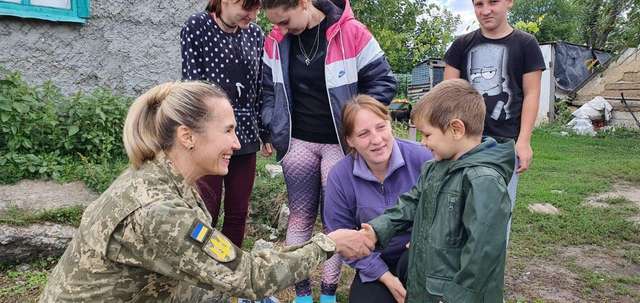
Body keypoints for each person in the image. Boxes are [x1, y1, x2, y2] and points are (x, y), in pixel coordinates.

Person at [38, 81, 375, 303]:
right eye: (228, 130)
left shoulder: (169, 180)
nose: (237, 143)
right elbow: (249, 277)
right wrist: (328, 244)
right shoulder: (158, 209)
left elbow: (205, 271)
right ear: (187, 136)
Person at [260, 0, 397, 302]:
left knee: (336, 223)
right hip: (297, 143)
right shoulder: (276, 41)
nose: (278, 30)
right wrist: (271, 124)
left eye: (284, 21)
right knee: (299, 217)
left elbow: (384, 82)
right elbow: (268, 90)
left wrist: (358, 123)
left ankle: (329, 295)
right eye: (275, 23)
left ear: (304, 3)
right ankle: (303, 296)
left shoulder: (352, 32)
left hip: (339, 144)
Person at [362, 79, 515, 302]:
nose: (423, 142)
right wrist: (377, 229)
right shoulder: (434, 168)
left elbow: (482, 253)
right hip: (427, 289)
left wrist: (458, 297)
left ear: (456, 129)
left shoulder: (483, 180)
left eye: (427, 134)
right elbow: (410, 204)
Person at [443, 0, 545, 240]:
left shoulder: (526, 44)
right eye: (478, 4)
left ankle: (491, 273)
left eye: (493, 2)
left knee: (498, 213)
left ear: (509, 2)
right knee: (457, 212)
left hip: (504, 145)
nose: (485, 10)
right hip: (465, 144)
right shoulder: (461, 45)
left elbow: (531, 94)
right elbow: (447, 96)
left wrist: (524, 141)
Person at [323, 95, 432, 303]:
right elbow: (340, 234)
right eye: (363, 134)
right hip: (372, 262)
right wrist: (387, 278)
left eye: (381, 127)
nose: (376, 139)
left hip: (421, 256)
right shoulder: (340, 176)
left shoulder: (423, 159)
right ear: (350, 140)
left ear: (390, 124)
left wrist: (425, 240)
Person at [181, 0, 266, 249]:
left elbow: (259, 88)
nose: (253, 15)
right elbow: (192, 86)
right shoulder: (196, 26)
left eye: (257, 8)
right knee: (205, 209)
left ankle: (229, 271)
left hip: (246, 134)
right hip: (209, 135)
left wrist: (265, 131)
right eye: (248, 8)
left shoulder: (255, 34)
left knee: (237, 211)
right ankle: (199, 269)